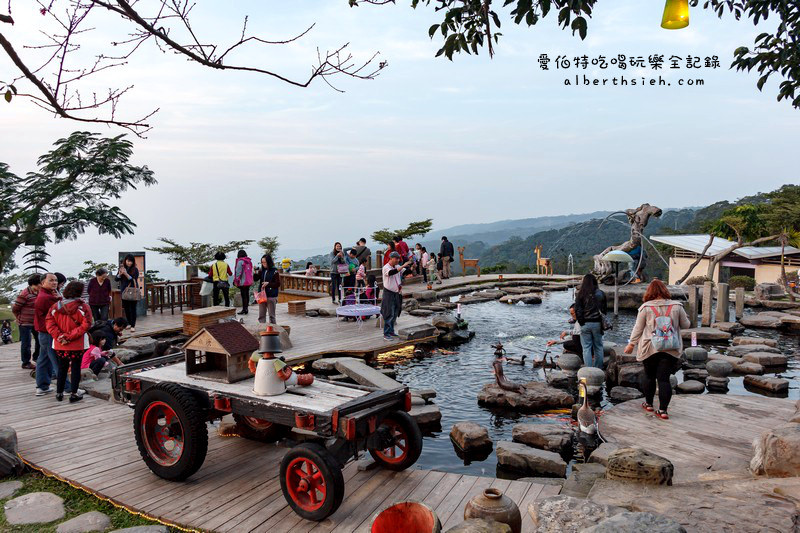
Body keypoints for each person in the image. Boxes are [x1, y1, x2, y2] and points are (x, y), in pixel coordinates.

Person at [624, 279, 690, 420]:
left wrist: (631, 344)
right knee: (664, 380)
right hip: (671, 347)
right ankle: (663, 411)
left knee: (649, 376)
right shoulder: (677, 306)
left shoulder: (645, 308)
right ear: (665, 291)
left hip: (650, 347)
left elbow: (638, 328)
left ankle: (648, 404)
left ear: (649, 292)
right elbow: (686, 325)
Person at [45, 280, 91, 403]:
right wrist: (69, 336)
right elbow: (86, 324)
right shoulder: (83, 307)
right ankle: (74, 393)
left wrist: (60, 336)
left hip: (60, 344)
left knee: (62, 367)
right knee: (76, 368)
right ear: (79, 292)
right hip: (77, 343)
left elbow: (49, 324)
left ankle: (59, 393)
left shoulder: (55, 306)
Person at [34, 272, 62, 396]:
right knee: (56, 360)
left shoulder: (48, 294)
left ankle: (42, 386)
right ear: (42, 283)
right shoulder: (46, 298)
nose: (54, 283)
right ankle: (66, 388)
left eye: (55, 280)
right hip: (49, 332)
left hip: (43, 331)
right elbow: (61, 312)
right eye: (51, 280)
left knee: (44, 359)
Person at [574, 274, 608, 369]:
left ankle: (588, 370)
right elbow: (605, 310)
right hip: (597, 323)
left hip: (585, 323)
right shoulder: (601, 293)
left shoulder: (581, 294)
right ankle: (598, 369)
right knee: (598, 347)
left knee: (586, 348)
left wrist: (581, 322)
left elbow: (578, 310)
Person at [381, 252, 412, 340]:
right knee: (389, 313)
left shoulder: (398, 266)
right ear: (391, 258)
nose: (398, 260)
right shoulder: (386, 267)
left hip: (397, 293)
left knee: (395, 313)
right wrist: (403, 266)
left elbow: (406, 272)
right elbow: (391, 273)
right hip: (389, 293)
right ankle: (386, 334)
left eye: (398, 258)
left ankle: (391, 331)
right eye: (396, 258)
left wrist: (411, 266)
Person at [12, 274, 41, 369]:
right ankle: (25, 362)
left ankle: (37, 357)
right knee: (26, 343)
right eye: (39, 284)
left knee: (39, 340)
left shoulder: (39, 292)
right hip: (25, 322)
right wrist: (18, 318)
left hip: (36, 322)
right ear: (33, 284)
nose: (41, 286)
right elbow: (15, 308)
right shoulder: (24, 294)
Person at [116, 254, 140, 332]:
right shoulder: (122, 268)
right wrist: (120, 274)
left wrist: (126, 274)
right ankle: (129, 323)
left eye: (131, 261)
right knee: (126, 309)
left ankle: (133, 325)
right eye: (128, 261)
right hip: (124, 291)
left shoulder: (135, 269)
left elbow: (133, 279)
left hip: (132, 291)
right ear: (125, 261)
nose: (129, 263)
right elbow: (116, 279)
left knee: (133, 309)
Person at [256, 254, 281, 324]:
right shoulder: (262, 270)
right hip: (262, 295)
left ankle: (273, 330)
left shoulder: (274, 271)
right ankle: (262, 329)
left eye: (265, 262)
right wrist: (254, 271)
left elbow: (278, 284)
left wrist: (268, 283)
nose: (263, 264)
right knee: (261, 315)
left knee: (272, 316)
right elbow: (255, 279)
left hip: (271, 295)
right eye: (262, 262)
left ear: (269, 262)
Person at [233, 250, 254, 315]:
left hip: (242, 282)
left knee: (243, 295)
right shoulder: (249, 261)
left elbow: (238, 272)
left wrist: (236, 280)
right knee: (246, 295)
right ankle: (246, 308)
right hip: (248, 281)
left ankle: (244, 309)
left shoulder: (240, 261)